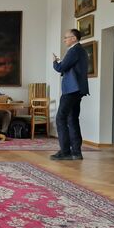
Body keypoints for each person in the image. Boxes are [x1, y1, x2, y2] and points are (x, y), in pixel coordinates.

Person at [50, 28, 89, 161]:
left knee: (60, 118)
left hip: (71, 90)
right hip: (78, 90)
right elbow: (70, 67)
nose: (64, 39)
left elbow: (60, 68)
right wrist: (62, 63)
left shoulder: (73, 50)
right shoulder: (81, 51)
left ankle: (65, 151)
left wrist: (55, 61)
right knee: (72, 119)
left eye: (66, 37)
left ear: (73, 38)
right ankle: (76, 152)